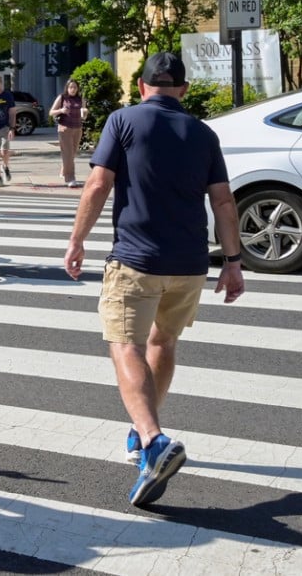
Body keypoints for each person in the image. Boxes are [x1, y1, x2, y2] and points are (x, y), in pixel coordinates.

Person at [63, 52, 245, 508]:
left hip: (135, 259)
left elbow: (98, 185)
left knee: (125, 344)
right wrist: (234, 261)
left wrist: (76, 240)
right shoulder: (203, 133)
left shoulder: (122, 121)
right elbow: (223, 202)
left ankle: (153, 438)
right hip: (189, 263)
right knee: (163, 343)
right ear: (183, 90)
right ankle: (141, 430)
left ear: (142, 87)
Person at [49, 78, 89, 188]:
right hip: (64, 128)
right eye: (71, 87)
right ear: (67, 88)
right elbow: (51, 112)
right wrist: (61, 110)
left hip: (77, 128)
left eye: (75, 87)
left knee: (72, 154)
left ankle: (63, 170)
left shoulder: (81, 99)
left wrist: (85, 113)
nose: (73, 89)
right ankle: (70, 178)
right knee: (68, 155)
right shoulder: (62, 98)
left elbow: (83, 116)